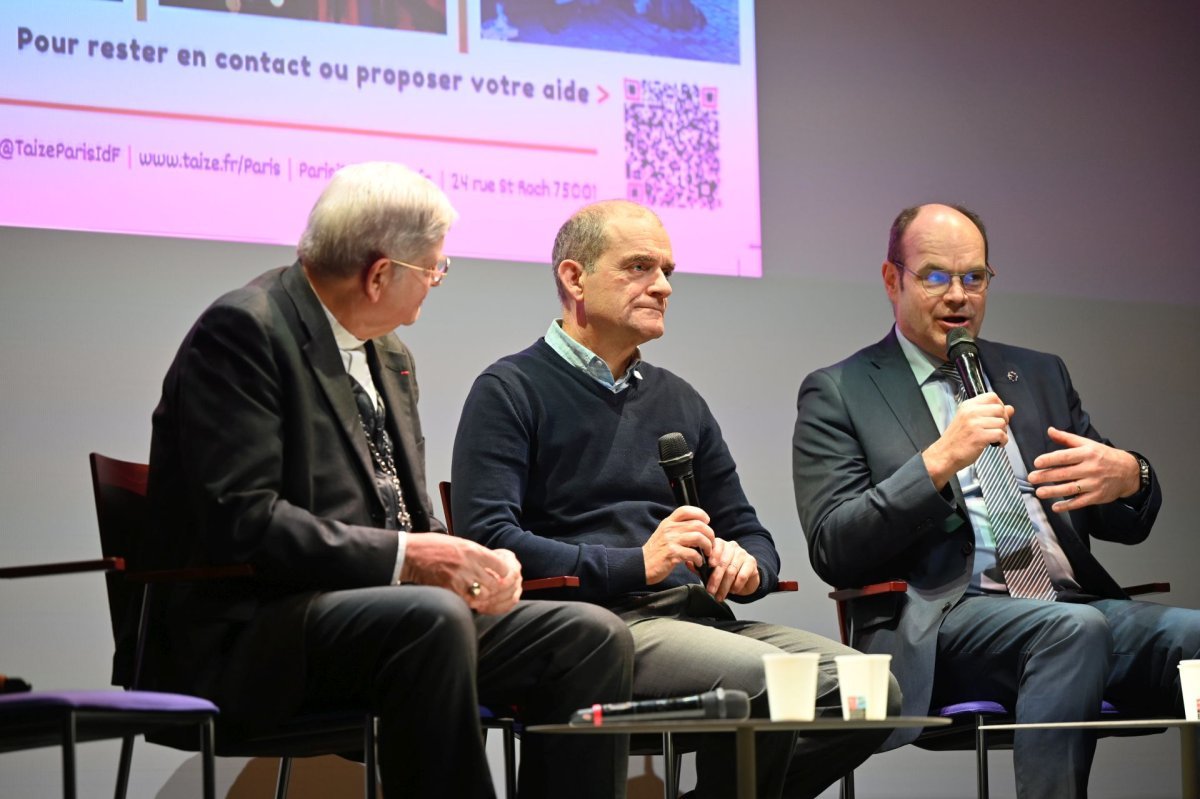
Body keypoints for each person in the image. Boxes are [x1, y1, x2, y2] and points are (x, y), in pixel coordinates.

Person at [144, 163, 633, 798]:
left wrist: (471, 562)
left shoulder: (390, 353)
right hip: (258, 633)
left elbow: (402, 509)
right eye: (434, 266)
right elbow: (243, 520)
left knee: (589, 637)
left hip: (392, 619)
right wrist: (412, 560)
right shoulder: (245, 330)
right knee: (428, 616)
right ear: (380, 273)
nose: (437, 280)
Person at [451, 199, 899, 799]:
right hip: (600, 628)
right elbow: (489, 542)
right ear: (574, 277)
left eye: (667, 271)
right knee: (761, 682)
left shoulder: (679, 399)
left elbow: (750, 531)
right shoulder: (509, 389)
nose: (662, 286)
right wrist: (637, 562)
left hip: (698, 619)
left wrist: (748, 565)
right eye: (639, 266)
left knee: (870, 694)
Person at [791, 202, 1200, 798]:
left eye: (973, 278)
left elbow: (1118, 517)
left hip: (1072, 605)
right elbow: (834, 545)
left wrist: (1132, 475)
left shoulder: (1037, 375)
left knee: (1183, 635)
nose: (958, 295)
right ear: (891, 280)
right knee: (1073, 630)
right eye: (935, 276)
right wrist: (937, 463)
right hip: (942, 624)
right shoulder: (841, 390)